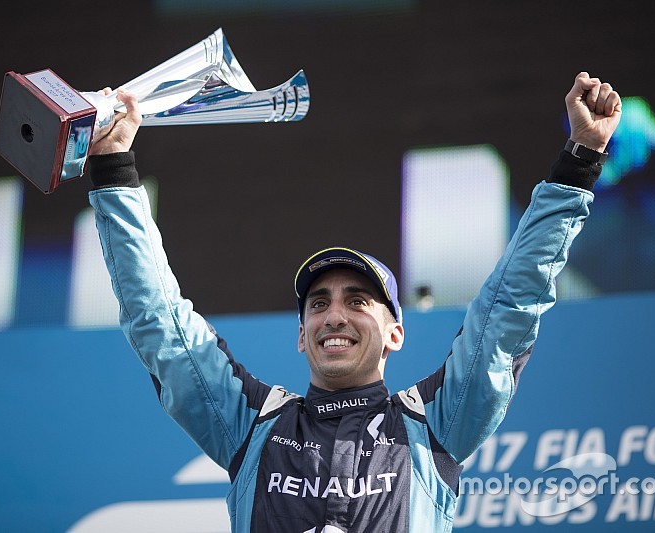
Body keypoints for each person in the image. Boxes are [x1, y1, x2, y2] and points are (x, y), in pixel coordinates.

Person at [87, 72, 622, 532]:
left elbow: (508, 309)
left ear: (395, 332)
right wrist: (114, 168)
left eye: (359, 301)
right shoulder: (248, 425)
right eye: (317, 304)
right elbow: (159, 320)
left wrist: (579, 163)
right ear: (300, 335)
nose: (334, 315)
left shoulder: (435, 424)